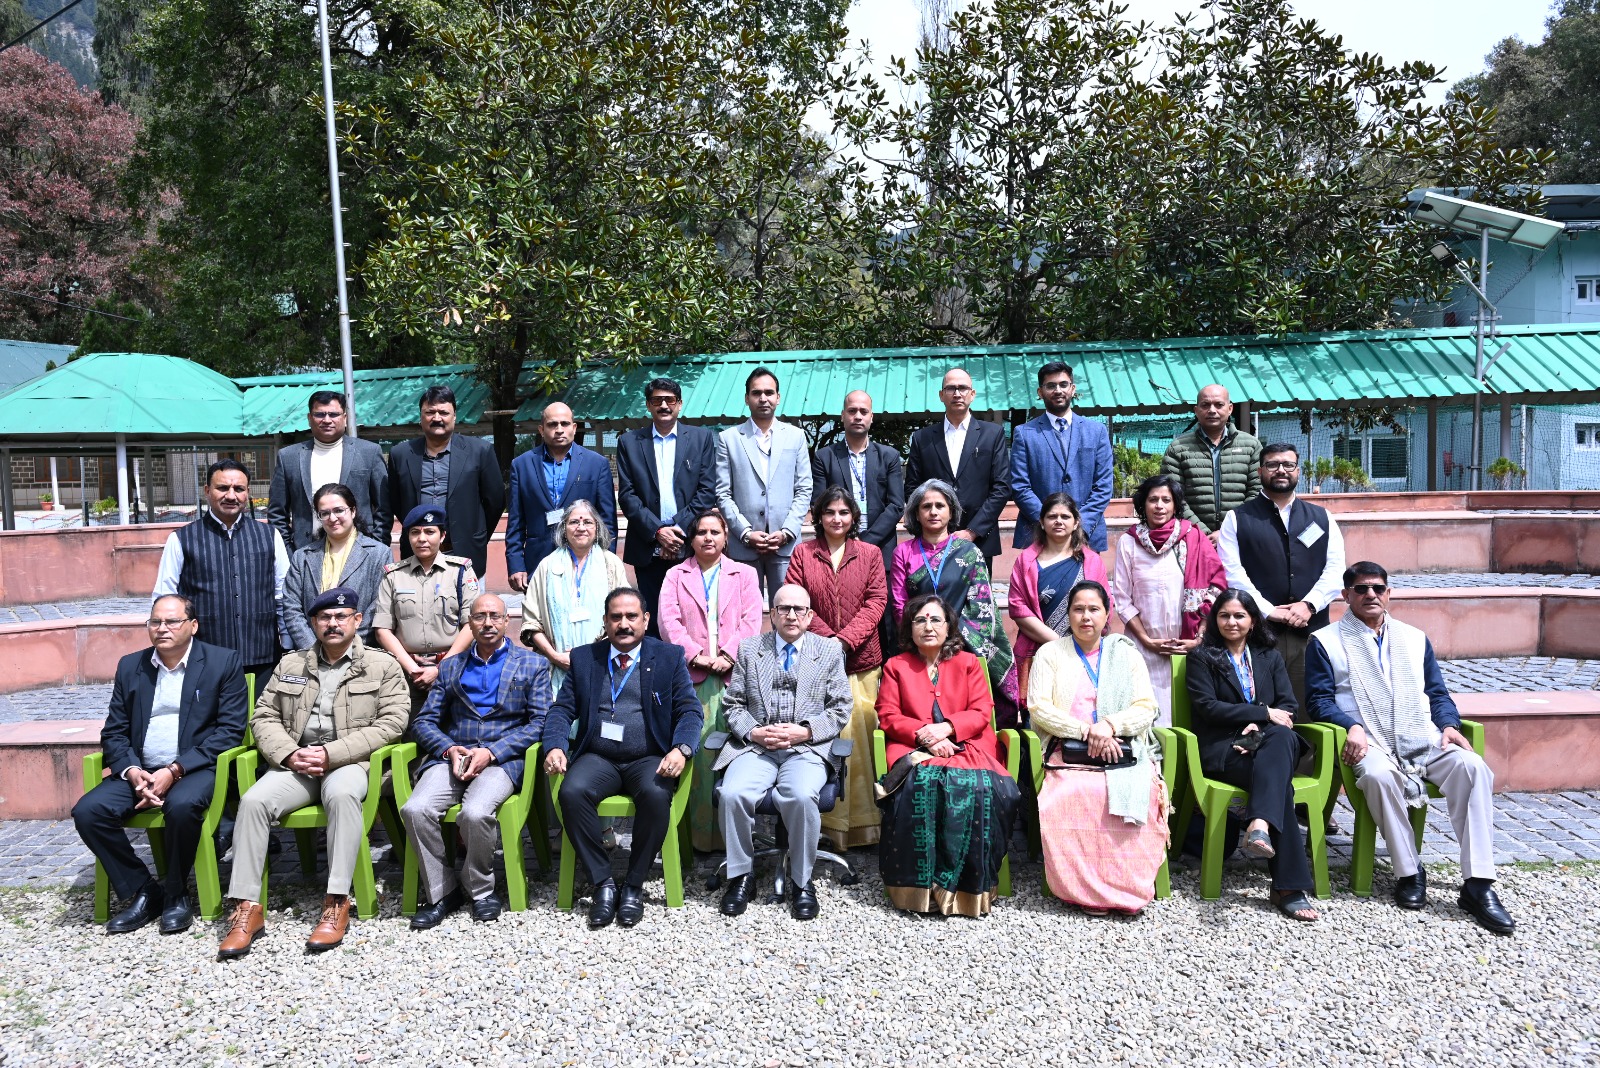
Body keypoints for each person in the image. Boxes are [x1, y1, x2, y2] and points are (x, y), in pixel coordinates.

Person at [1306, 562, 1514, 934]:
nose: (1371, 594)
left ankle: (1478, 884)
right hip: (1368, 740)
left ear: (1388, 593)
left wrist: (1448, 726)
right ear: (1346, 595)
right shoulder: (1325, 641)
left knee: (1473, 768)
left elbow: (1437, 693)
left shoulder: (1415, 638)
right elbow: (1318, 700)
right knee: (1378, 776)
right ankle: (1409, 871)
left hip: (1422, 736)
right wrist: (1351, 726)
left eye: (1378, 588)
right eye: (1361, 589)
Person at [217, 587, 410, 959]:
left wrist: (331, 753)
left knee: (341, 794)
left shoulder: (382, 665)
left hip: (351, 763)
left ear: (357, 620)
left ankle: (336, 901)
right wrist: (290, 755)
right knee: (254, 801)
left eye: (341, 617)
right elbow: (264, 717)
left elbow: (392, 724)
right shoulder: (291, 665)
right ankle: (247, 908)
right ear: (313, 623)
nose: (333, 624)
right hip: (298, 763)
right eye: (324, 617)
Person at [71, 595, 247, 935]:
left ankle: (176, 893)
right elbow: (114, 731)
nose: (162, 628)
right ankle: (144, 890)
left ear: (192, 625)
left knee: (181, 806)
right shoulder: (131, 666)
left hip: (196, 770)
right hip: (140, 770)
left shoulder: (222, 662)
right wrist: (132, 771)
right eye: (155, 622)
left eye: (172, 621)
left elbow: (229, 732)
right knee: (89, 812)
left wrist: (175, 770)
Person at [542, 588, 703, 929]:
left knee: (656, 795)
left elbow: (689, 710)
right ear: (605, 621)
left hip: (648, 757)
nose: (624, 624)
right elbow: (561, 710)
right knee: (571, 792)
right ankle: (603, 882)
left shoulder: (669, 656)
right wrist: (554, 745)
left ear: (646, 619)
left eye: (632, 616)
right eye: (616, 617)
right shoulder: (585, 658)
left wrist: (682, 748)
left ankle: (633, 885)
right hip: (598, 757)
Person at [402, 594, 552, 928]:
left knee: (475, 813)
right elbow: (424, 722)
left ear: (506, 621)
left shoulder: (533, 664)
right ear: (468, 623)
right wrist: (449, 749)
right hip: (453, 758)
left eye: (495, 616)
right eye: (480, 616)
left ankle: (481, 889)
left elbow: (540, 722)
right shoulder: (450, 667)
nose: (487, 623)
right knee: (415, 809)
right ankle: (443, 891)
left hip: (501, 761)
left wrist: (493, 752)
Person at [1028, 581, 1167, 915]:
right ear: (1068, 614)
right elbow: (1039, 708)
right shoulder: (1050, 653)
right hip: (1068, 750)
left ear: (1107, 615)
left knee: (1143, 792)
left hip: (1122, 748)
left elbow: (1146, 707)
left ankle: (1128, 888)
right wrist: (1087, 730)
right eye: (1078, 609)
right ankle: (1084, 891)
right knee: (1073, 793)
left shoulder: (1126, 654)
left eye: (1094, 609)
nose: (1086, 617)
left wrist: (1111, 725)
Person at [714, 585, 853, 920]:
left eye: (799, 609)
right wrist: (754, 732)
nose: (791, 615)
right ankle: (741, 876)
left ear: (810, 615)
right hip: (756, 747)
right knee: (732, 793)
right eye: (783, 609)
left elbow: (840, 707)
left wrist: (805, 731)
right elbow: (732, 705)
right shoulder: (750, 649)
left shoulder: (828, 651)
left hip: (806, 748)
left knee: (801, 795)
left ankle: (802, 881)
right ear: (772, 614)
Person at [875, 594, 1019, 916]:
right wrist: (924, 735)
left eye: (935, 620)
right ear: (909, 628)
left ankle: (970, 890)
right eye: (920, 620)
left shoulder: (969, 663)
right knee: (921, 786)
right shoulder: (896, 666)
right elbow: (888, 714)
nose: (928, 626)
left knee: (982, 789)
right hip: (914, 748)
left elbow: (982, 711)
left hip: (968, 746)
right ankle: (920, 892)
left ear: (949, 626)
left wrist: (948, 728)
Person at [1186, 589, 1317, 921]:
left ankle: (1259, 824)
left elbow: (1287, 706)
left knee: (1283, 738)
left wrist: (1258, 731)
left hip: (1266, 744)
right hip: (1225, 749)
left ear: (1253, 620)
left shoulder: (1268, 657)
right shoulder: (1202, 657)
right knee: (1280, 786)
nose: (1232, 622)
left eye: (1239, 615)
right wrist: (1261, 713)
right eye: (1224, 615)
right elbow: (1208, 708)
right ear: (1215, 620)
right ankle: (1288, 888)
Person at [783, 486, 889, 849]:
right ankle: (822, 824)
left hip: (862, 663)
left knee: (860, 739)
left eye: (844, 512)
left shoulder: (870, 553)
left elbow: (876, 601)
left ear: (854, 517)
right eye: (829, 512)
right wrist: (828, 641)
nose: (837, 519)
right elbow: (795, 601)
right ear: (818, 517)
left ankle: (866, 825)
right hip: (815, 663)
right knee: (821, 738)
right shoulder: (803, 553)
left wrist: (844, 641)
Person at [657, 508, 763, 852]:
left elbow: (752, 619)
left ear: (726, 537)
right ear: (691, 538)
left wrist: (728, 655)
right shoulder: (675, 575)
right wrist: (697, 655)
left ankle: (736, 836)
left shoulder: (744, 574)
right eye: (701, 532)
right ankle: (699, 837)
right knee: (699, 754)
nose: (708, 538)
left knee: (737, 751)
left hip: (735, 677)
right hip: (693, 677)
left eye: (715, 532)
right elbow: (668, 622)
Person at [1217, 443, 1345, 711]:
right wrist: (1268, 611)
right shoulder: (1237, 518)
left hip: (1311, 631)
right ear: (1260, 471)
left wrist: (1309, 605)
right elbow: (1233, 573)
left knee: (1310, 708)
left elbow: (1335, 570)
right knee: (1261, 708)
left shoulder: (1322, 517)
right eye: (1273, 464)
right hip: (1258, 632)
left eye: (1288, 465)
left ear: (1298, 471)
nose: (1281, 470)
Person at [153, 459, 289, 681]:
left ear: (248, 492)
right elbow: (164, 597)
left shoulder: (270, 536)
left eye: (239, 489)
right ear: (207, 491)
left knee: (260, 706)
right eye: (223, 488)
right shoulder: (181, 539)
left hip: (263, 654)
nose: (231, 496)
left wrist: (288, 642)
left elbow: (283, 593)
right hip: (204, 656)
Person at [888, 479, 1013, 715]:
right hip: (918, 646)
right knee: (919, 714)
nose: (933, 512)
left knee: (959, 713)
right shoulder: (903, 552)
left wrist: (949, 640)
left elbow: (982, 606)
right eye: (926, 506)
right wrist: (923, 638)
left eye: (940, 505)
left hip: (961, 647)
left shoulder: (969, 552)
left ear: (951, 511)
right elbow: (899, 604)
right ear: (916, 513)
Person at [1112, 474, 1226, 723]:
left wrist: (1198, 639)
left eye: (1166, 500)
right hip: (1143, 648)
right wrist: (1147, 641)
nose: (1159, 506)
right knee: (1148, 717)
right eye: (1153, 500)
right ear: (1143, 504)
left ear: (1176, 505)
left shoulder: (1193, 537)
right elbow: (1122, 598)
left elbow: (1216, 586)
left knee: (1189, 716)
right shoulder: (1128, 543)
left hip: (1190, 647)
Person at [615, 377, 719, 633]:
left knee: (692, 618)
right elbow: (627, 495)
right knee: (651, 621)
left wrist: (677, 531)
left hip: (690, 545)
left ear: (679, 404)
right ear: (648, 405)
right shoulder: (629, 442)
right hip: (647, 546)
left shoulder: (701, 439)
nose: (664, 405)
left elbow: (707, 492)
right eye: (657, 400)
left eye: (669, 400)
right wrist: (659, 532)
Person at [1007, 492, 1111, 716]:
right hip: (1038, 652)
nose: (1058, 521)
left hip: (1083, 653)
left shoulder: (1091, 561)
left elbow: (1104, 607)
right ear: (1042, 522)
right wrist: (1060, 644)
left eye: (1065, 516)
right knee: (1037, 714)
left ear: (1076, 522)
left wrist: (1075, 646)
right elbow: (1018, 607)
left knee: (1081, 712)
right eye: (1052, 516)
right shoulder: (1026, 561)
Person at [387, 385, 507, 579]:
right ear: (421, 416)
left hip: (465, 554)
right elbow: (396, 502)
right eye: (430, 412)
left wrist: (475, 535)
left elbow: (495, 501)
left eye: (443, 412)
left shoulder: (480, 451)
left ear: (454, 416)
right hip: (416, 554)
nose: (437, 418)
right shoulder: (400, 454)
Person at [371, 505, 481, 712]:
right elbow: (382, 630)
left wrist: (441, 669)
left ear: (442, 536)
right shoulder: (394, 575)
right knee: (409, 726)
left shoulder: (460, 571)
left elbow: (471, 625)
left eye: (430, 532)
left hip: (454, 669)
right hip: (407, 673)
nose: (422, 538)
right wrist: (413, 670)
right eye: (415, 532)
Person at [715, 366, 812, 600]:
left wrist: (787, 531)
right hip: (744, 546)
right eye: (756, 393)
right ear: (747, 398)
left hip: (786, 546)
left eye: (769, 392)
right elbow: (723, 493)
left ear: (778, 397)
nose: (763, 398)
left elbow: (804, 488)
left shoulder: (796, 436)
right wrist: (746, 533)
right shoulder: (728, 439)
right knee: (744, 612)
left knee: (788, 609)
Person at [519, 499, 630, 698]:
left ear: (597, 528)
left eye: (587, 522)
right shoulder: (546, 566)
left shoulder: (611, 564)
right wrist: (556, 657)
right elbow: (531, 622)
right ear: (564, 528)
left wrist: (592, 657)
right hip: (556, 667)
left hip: (603, 664)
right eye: (574, 522)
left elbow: (624, 617)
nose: (581, 527)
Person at [904, 368, 1010, 572]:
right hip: (933, 540)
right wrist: (932, 528)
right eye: (951, 388)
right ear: (941, 395)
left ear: (972, 394)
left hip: (979, 539)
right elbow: (912, 488)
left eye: (963, 388)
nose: (957, 393)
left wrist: (973, 531)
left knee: (978, 593)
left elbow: (1001, 487)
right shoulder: (922, 438)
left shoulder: (992, 434)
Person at [506, 401, 617, 594]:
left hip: (586, 562)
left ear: (574, 427)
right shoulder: (522, 465)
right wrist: (516, 564)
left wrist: (606, 562)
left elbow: (607, 521)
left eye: (564, 424)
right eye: (552, 424)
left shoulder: (596, 464)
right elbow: (515, 521)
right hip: (538, 563)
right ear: (541, 430)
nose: (559, 430)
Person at [267, 390, 391, 551]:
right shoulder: (288, 457)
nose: (327, 420)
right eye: (320, 414)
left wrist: (375, 550)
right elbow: (277, 513)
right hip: (307, 551)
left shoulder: (369, 452)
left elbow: (384, 509)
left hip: (360, 551)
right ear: (309, 418)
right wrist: (290, 554)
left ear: (345, 418)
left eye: (333, 414)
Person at [1010, 362, 1115, 553]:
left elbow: (1103, 486)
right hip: (1038, 535)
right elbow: (1020, 486)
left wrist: (1079, 526)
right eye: (1051, 386)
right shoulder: (1024, 433)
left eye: (1063, 384)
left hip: (1086, 536)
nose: (1058, 390)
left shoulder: (1097, 431)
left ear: (1072, 389)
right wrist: (1048, 522)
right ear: (1040, 392)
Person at [281, 483, 395, 651]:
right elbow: (292, 607)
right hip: (312, 653)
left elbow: (378, 607)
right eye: (325, 513)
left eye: (339, 510)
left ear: (353, 511)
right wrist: (315, 650)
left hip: (361, 653)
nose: (332, 518)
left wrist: (345, 649)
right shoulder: (302, 556)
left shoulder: (379, 554)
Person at [809, 390, 905, 570]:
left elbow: (897, 505)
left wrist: (866, 540)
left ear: (871, 417)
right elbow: (818, 504)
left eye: (864, 411)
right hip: (836, 548)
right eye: (852, 411)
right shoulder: (825, 457)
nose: (858, 416)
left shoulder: (889, 456)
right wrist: (846, 540)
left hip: (880, 548)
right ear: (843, 416)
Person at [1159, 384, 1263, 541]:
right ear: (1196, 410)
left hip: (1241, 536)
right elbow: (1174, 496)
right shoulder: (1178, 448)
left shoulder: (1251, 445)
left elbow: (1257, 492)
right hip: (1193, 538)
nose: (1212, 410)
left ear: (1230, 409)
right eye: (1205, 405)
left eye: (1219, 405)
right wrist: (1203, 534)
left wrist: (1228, 531)